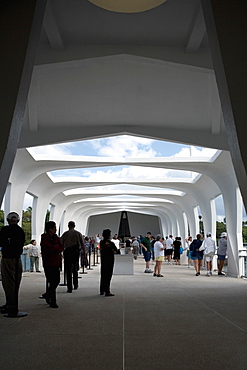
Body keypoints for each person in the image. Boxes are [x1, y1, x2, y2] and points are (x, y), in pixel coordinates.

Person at [0, 212, 25, 316]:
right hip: (17, 259)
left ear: (8, 219)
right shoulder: (20, 231)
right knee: (16, 281)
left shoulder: (4, 230)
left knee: (8, 282)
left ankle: (10, 305)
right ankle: (13, 304)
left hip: (7, 258)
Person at [41, 221, 64, 308]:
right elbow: (49, 249)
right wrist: (56, 247)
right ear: (50, 229)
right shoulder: (44, 238)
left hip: (56, 262)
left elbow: (61, 247)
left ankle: (48, 294)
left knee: (56, 280)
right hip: (48, 262)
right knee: (51, 281)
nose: (56, 229)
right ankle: (53, 301)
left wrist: (55, 247)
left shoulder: (56, 238)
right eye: (54, 227)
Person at [61, 221, 85, 293]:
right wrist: (84, 254)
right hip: (75, 251)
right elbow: (82, 244)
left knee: (68, 269)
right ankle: (75, 283)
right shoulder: (78, 233)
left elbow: (61, 243)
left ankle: (69, 287)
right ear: (74, 226)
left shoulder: (65, 234)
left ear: (68, 226)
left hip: (67, 252)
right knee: (75, 268)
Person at [99, 229, 117, 296]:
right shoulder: (111, 243)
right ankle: (107, 291)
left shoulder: (102, 242)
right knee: (108, 276)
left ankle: (102, 290)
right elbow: (115, 250)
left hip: (103, 261)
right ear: (109, 235)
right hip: (109, 261)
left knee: (103, 275)